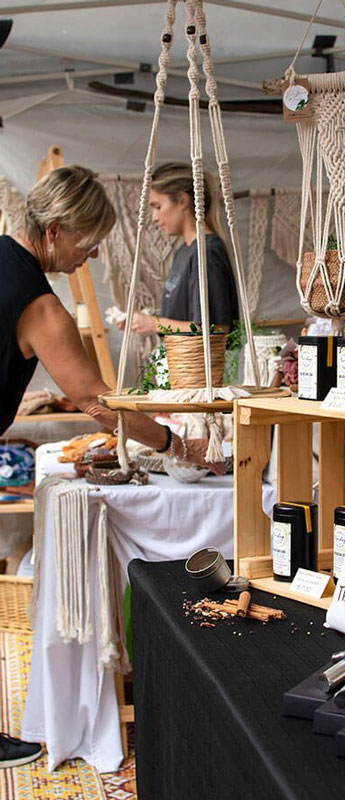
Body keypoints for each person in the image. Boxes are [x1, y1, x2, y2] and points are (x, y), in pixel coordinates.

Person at [0, 165, 222, 767]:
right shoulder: (38, 303)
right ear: (52, 230)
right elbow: (99, 401)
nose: (92, 254)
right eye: (87, 240)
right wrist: (175, 445)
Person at [118, 163, 239, 336]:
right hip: (182, 361)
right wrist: (149, 322)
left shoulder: (206, 253)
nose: (154, 218)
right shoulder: (184, 252)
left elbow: (216, 328)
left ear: (183, 201)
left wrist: (155, 324)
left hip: (204, 363)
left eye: (158, 207)